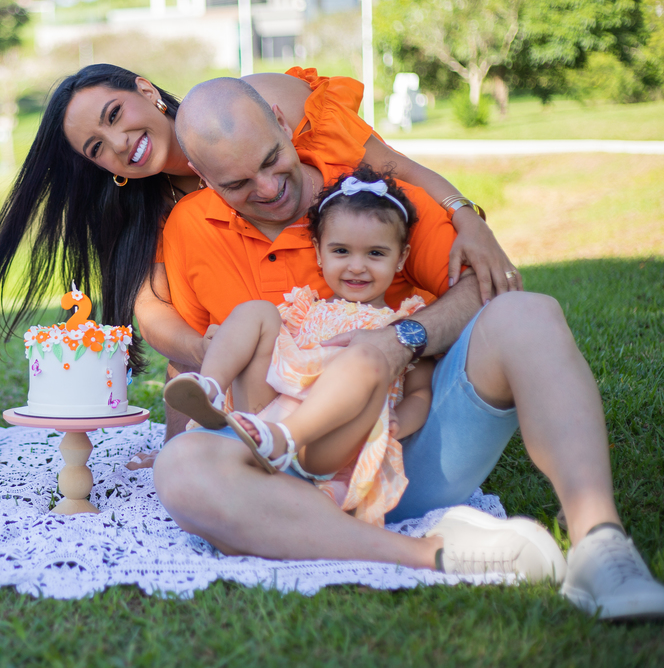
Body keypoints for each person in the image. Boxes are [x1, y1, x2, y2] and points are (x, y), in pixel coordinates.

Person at [152, 76, 664, 620]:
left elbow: (482, 283)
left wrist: (403, 340)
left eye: (272, 159)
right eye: (236, 183)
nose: (268, 187)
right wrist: (172, 433)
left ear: (283, 122)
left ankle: (600, 546)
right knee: (179, 468)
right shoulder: (190, 227)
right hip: (284, 465)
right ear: (203, 178)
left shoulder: (369, 196)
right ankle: (433, 554)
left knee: (527, 313)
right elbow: (194, 357)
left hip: (406, 451)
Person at [0, 64, 519, 441]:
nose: (118, 144)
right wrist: (188, 396)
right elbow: (158, 313)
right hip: (277, 363)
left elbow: (388, 166)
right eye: (98, 148)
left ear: (145, 90)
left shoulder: (257, 103)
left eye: (114, 115)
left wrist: (464, 213)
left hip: (368, 304)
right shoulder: (161, 211)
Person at [163, 166, 434, 526]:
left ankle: (286, 437)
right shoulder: (306, 309)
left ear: (400, 258)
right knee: (256, 311)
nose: (357, 267)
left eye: (375, 254)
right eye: (341, 251)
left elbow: (420, 393)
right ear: (319, 255)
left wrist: (403, 419)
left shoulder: (404, 324)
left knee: (368, 356)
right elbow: (266, 349)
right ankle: (209, 387)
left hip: (323, 444)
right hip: (264, 414)